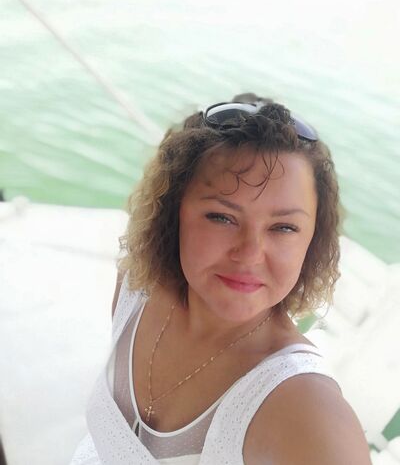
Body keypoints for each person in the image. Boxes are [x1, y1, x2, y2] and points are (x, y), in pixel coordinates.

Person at [70, 93, 372, 464]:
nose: (250, 253)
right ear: (173, 214)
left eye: (283, 227)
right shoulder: (136, 286)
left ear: (313, 242)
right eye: (222, 217)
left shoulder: (304, 405)